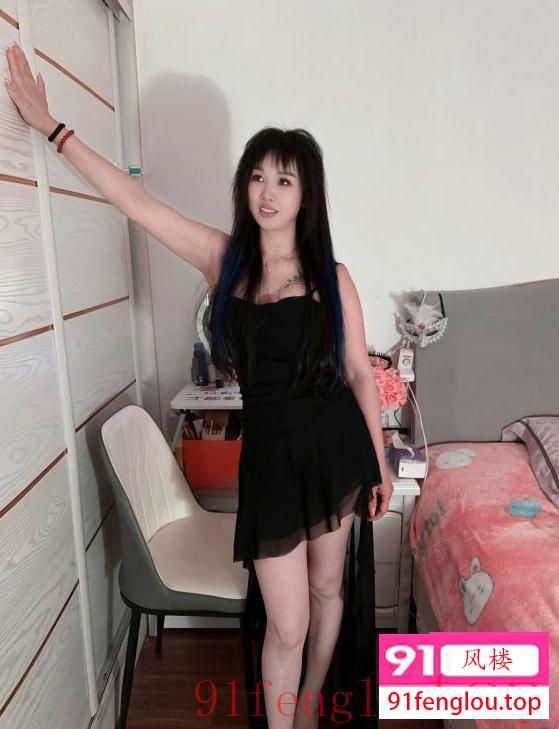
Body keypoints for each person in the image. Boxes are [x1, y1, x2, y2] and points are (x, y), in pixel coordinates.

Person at [5, 42, 394, 729]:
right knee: (286, 623)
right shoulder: (224, 259)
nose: (268, 192)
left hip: (335, 450)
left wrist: (380, 461)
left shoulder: (333, 277)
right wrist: (54, 129)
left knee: (328, 588)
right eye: (258, 177)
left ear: (305, 196)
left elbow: (361, 372)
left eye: (284, 180)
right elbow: (135, 202)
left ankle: (308, 707)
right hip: (270, 464)